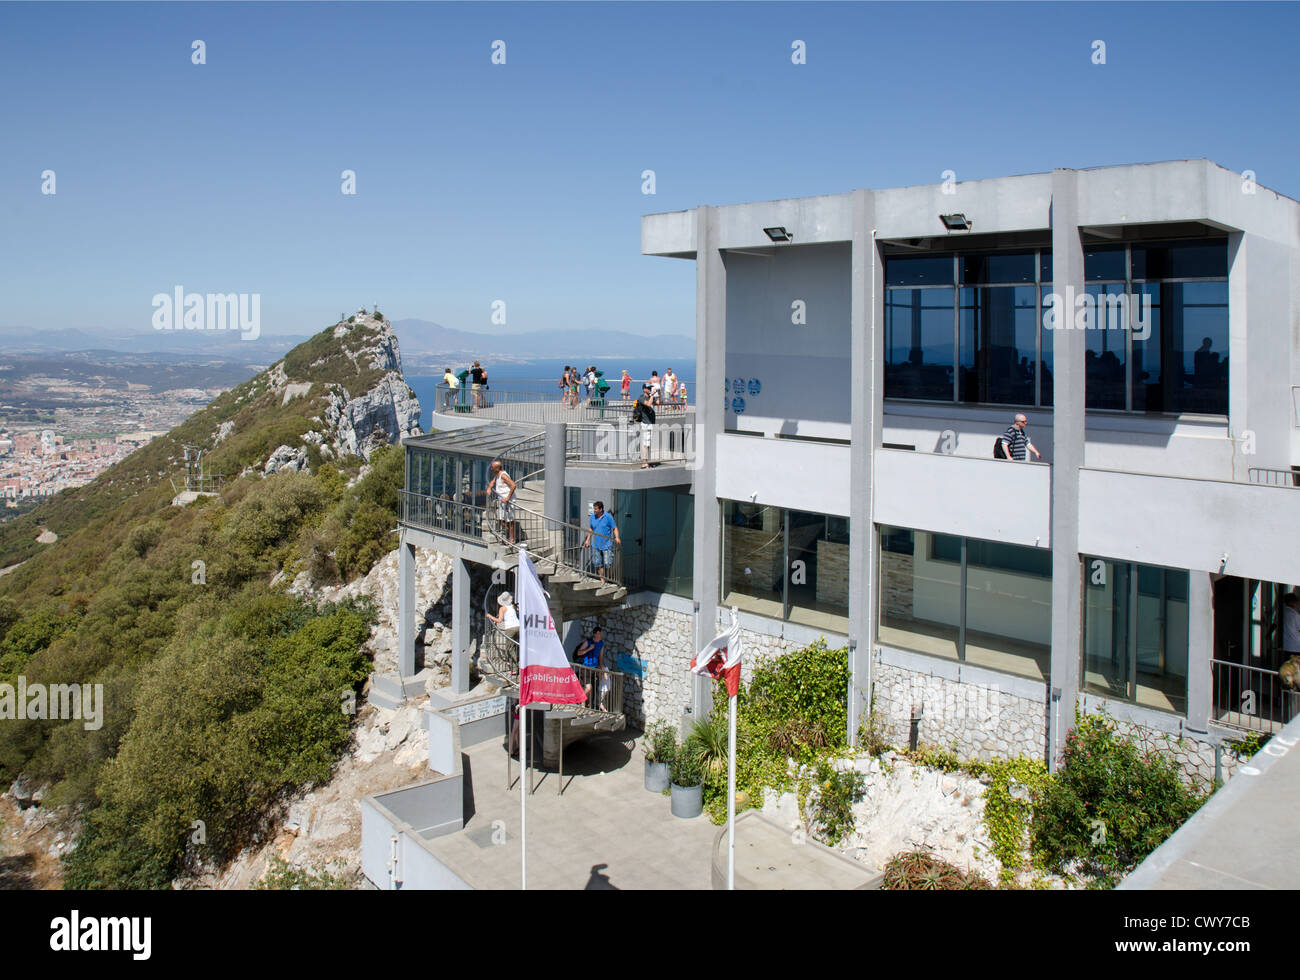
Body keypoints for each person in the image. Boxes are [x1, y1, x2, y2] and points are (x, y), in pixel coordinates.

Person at [582, 499, 621, 584]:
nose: (594, 511)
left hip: (606, 544)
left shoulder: (608, 517)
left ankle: (609, 578)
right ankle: (602, 580)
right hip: (596, 544)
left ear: (601, 509)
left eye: (596, 509)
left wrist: (617, 537)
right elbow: (591, 528)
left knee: (608, 563)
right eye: (594, 509)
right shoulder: (593, 516)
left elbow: (614, 528)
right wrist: (587, 540)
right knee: (598, 563)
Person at [487, 459, 517, 543]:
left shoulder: (503, 475)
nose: (491, 469)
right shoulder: (498, 475)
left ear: (497, 468)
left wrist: (507, 498)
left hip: (508, 501)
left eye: (492, 468)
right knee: (501, 520)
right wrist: (489, 488)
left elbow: (513, 485)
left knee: (510, 520)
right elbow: (493, 482)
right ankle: (506, 536)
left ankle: (511, 538)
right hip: (502, 501)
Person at [632, 385, 657, 468]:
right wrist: (652, 395)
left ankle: (647, 461)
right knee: (645, 444)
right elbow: (648, 404)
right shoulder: (641, 398)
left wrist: (659, 393)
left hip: (651, 423)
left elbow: (660, 403)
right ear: (644, 389)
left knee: (648, 443)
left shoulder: (651, 397)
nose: (650, 389)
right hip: (645, 423)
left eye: (650, 388)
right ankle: (644, 462)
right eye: (648, 388)